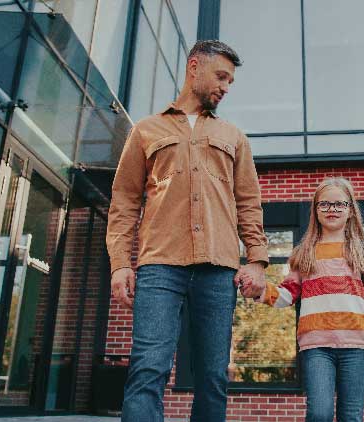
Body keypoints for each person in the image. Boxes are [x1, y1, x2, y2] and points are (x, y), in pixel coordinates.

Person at [106, 40, 268, 422]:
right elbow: (125, 201)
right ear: (194, 67)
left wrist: (258, 261)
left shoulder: (234, 137)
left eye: (231, 80)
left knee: (213, 376)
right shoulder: (146, 130)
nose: (226, 87)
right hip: (160, 265)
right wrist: (119, 263)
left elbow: (249, 203)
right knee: (148, 369)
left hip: (218, 267)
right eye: (221, 76)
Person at [239, 177, 364, 422]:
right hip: (316, 346)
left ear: (351, 210)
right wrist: (259, 291)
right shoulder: (304, 253)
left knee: (351, 415)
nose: (331, 209)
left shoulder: (362, 251)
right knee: (319, 413)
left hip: (356, 344)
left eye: (339, 204)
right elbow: (287, 294)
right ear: (315, 210)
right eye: (324, 204)